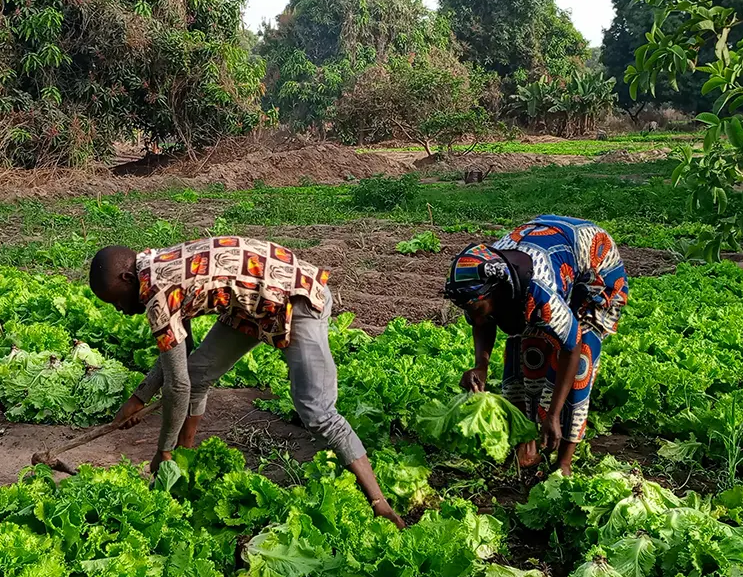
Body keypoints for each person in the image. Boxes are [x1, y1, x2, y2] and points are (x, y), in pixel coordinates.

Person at [89, 236, 405, 528]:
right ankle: (187, 458)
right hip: (252, 308)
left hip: (295, 302)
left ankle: (379, 502)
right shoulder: (157, 265)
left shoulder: (158, 292)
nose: (120, 309)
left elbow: (178, 385)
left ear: (127, 279)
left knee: (317, 412)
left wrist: (163, 451)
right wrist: (140, 397)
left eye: (115, 300)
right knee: (200, 374)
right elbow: (180, 356)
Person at [443, 214, 629, 476]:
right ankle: (526, 439)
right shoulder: (480, 285)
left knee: (580, 361)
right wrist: (481, 366)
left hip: (595, 272)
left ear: (495, 291)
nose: (471, 315)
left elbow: (571, 347)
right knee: (525, 352)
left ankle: (564, 459)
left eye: (474, 307)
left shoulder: (539, 291)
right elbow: (482, 320)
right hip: (545, 245)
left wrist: (553, 414)